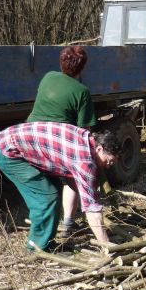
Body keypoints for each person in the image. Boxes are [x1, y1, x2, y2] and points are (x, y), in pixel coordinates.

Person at [0, 122, 121, 252]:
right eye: (109, 161)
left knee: (55, 187)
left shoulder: (87, 138)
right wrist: (106, 245)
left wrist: (90, 195)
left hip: (12, 139)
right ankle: (36, 249)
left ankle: (47, 242)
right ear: (99, 149)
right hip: (7, 150)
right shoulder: (84, 162)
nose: (108, 165)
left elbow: (74, 183)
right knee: (46, 197)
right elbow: (91, 210)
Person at [27, 46, 98, 238]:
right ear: (82, 67)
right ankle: (67, 223)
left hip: (31, 138)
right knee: (72, 176)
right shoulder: (82, 91)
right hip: (57, 140)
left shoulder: (48, 77)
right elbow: (84, 130)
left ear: (61, 62)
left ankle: (40, 220)